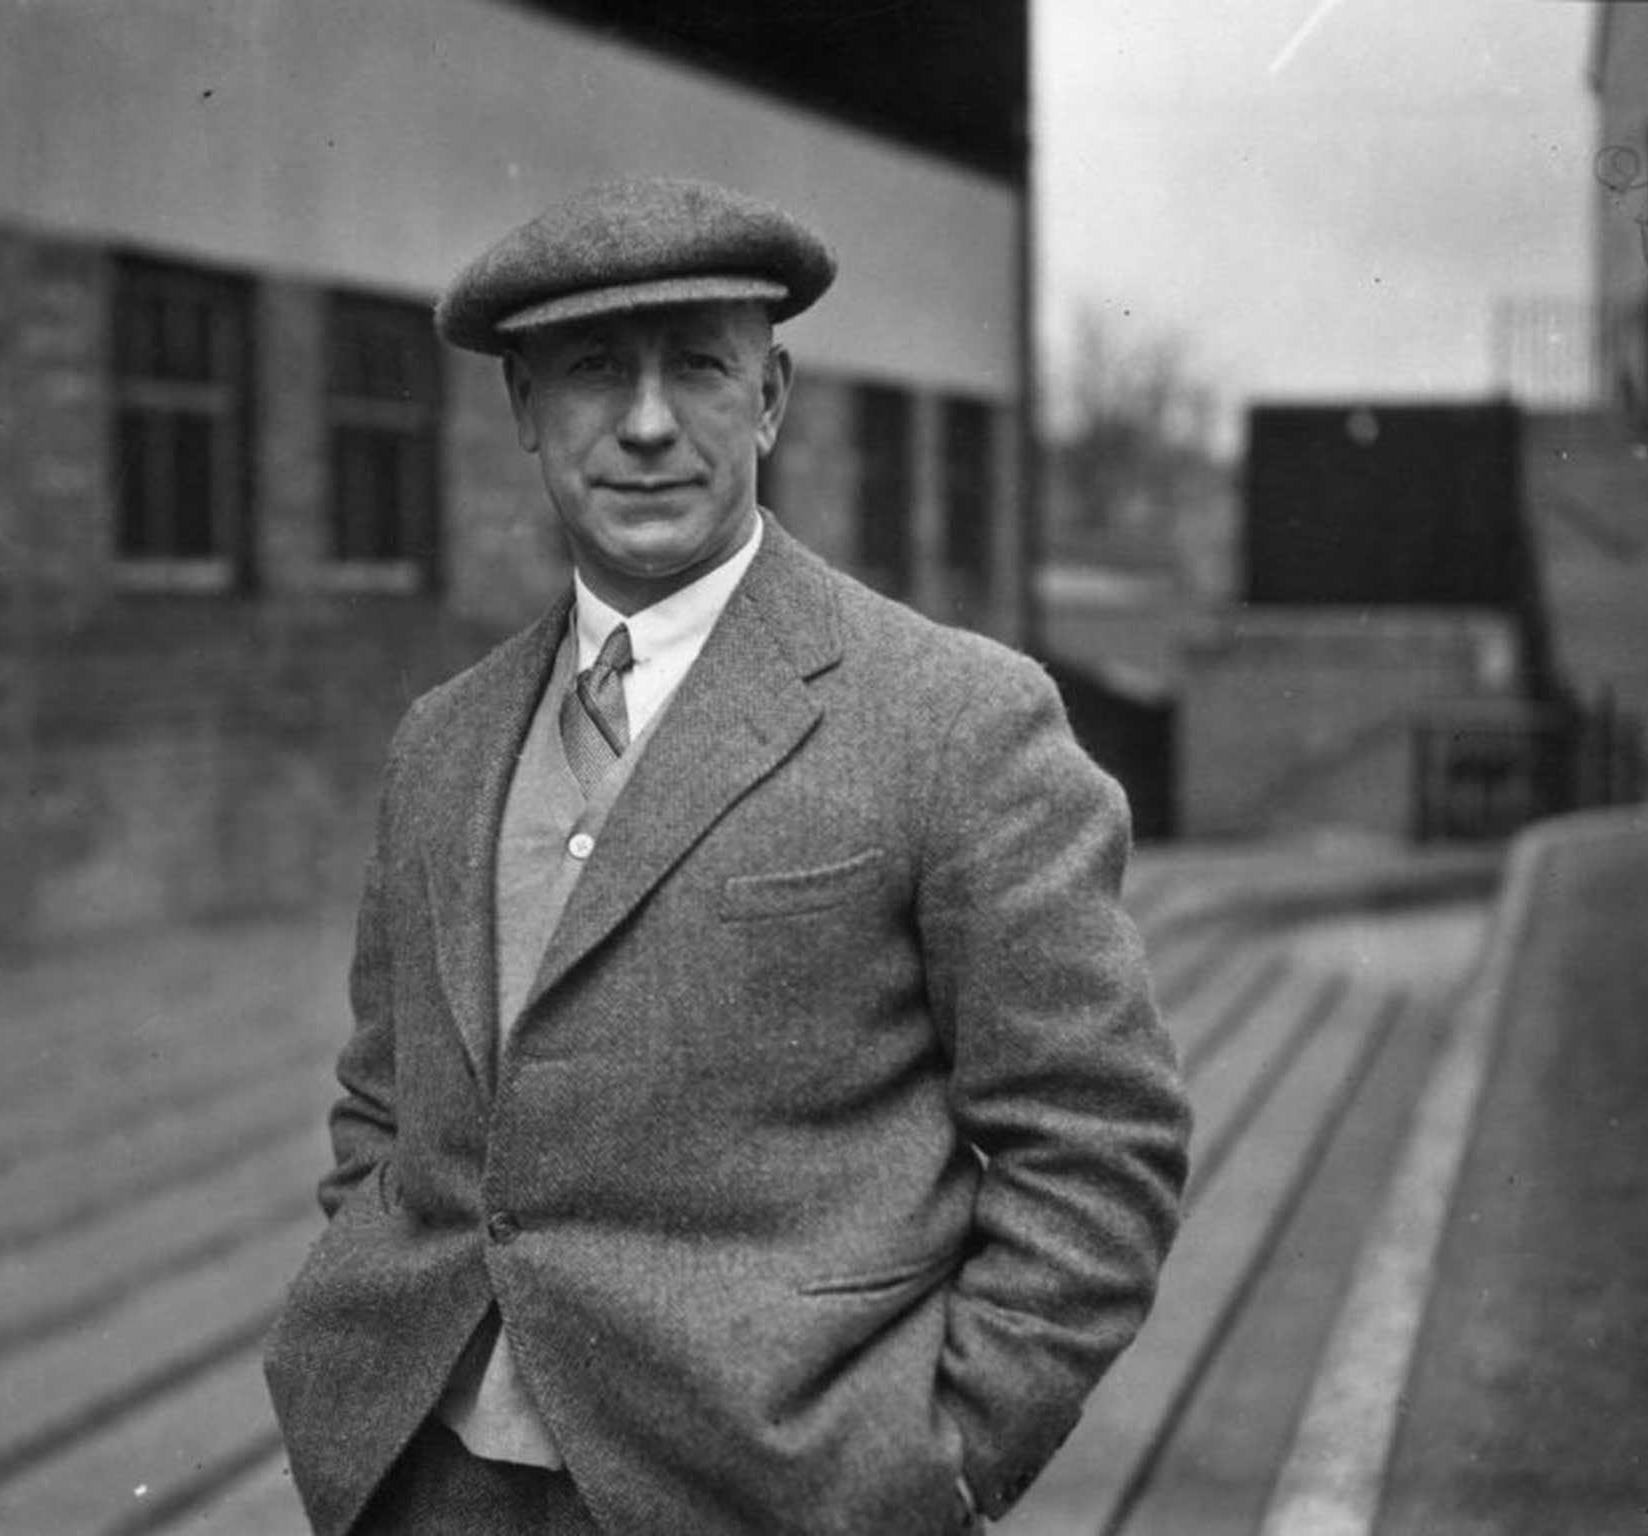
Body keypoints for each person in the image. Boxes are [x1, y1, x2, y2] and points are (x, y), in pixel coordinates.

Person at [264, 176, 1191, 1536]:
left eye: (697, 366)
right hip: (425, 1479)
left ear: (769, 397)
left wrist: (927, 1457)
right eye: (591, 372)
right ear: (523, 409)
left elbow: (1099, 1144)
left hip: (771, 1493)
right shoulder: (443, 743)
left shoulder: (954, 721)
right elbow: (384, 1104)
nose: (647, 425)